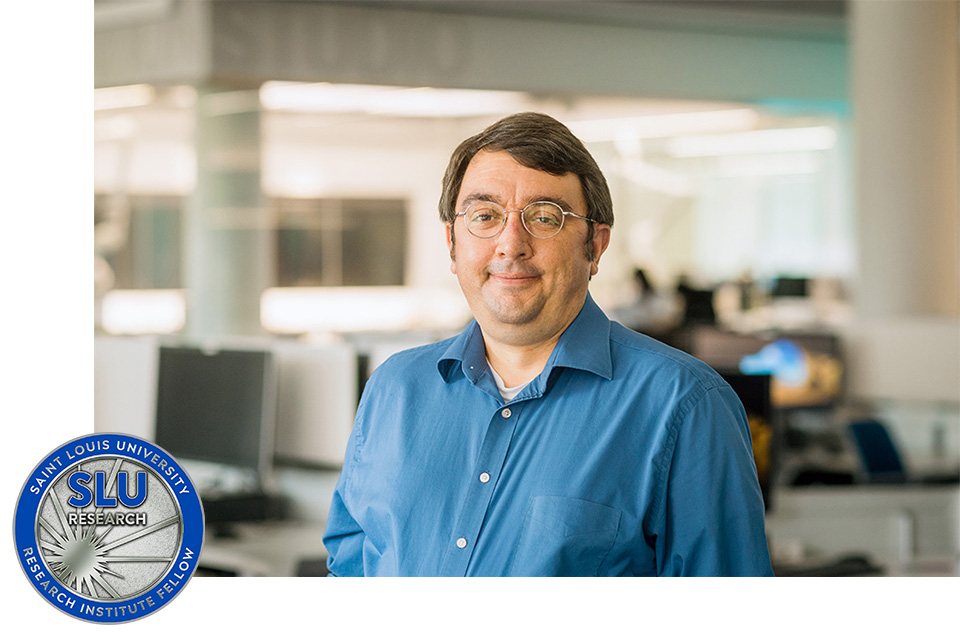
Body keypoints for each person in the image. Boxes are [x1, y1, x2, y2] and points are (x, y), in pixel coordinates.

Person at [322, 112, 773, 576]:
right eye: (484, 216)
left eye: (544, 217)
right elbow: (350, 569)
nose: (510, 244)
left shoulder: (685, 405)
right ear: (452, 243)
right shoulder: (394, 389)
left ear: (594, 247)